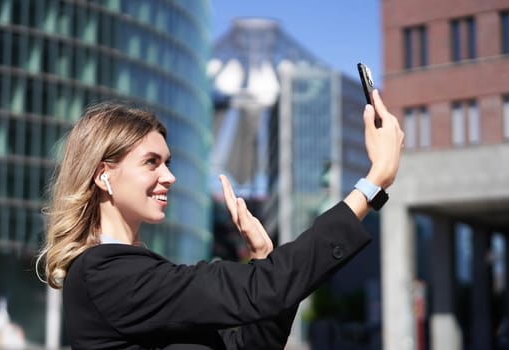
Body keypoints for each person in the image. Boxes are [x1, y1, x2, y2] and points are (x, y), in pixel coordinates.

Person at [37, 89, 404, 350]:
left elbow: (248, 342)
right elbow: (265, 288)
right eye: (152, 162)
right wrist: (371, 184)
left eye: (168, 163)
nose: (169, 176)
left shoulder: (135, 273)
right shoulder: (106, 274)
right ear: (104, 176)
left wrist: (262, 254)